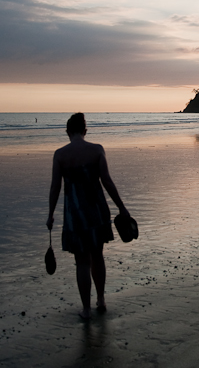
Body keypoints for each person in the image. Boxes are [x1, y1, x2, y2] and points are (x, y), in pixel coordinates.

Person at [47, 113, 130, 319]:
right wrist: (122, 208)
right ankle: (101, 300)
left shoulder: (60, 155)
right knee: (97, 256)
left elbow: (55, 187)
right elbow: (107, 182)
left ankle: (85, 309)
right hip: (96, 210)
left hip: (75, 214)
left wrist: (50, 214)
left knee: (81, 261)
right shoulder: (96, 150)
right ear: (85, 131)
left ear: (68, 132)